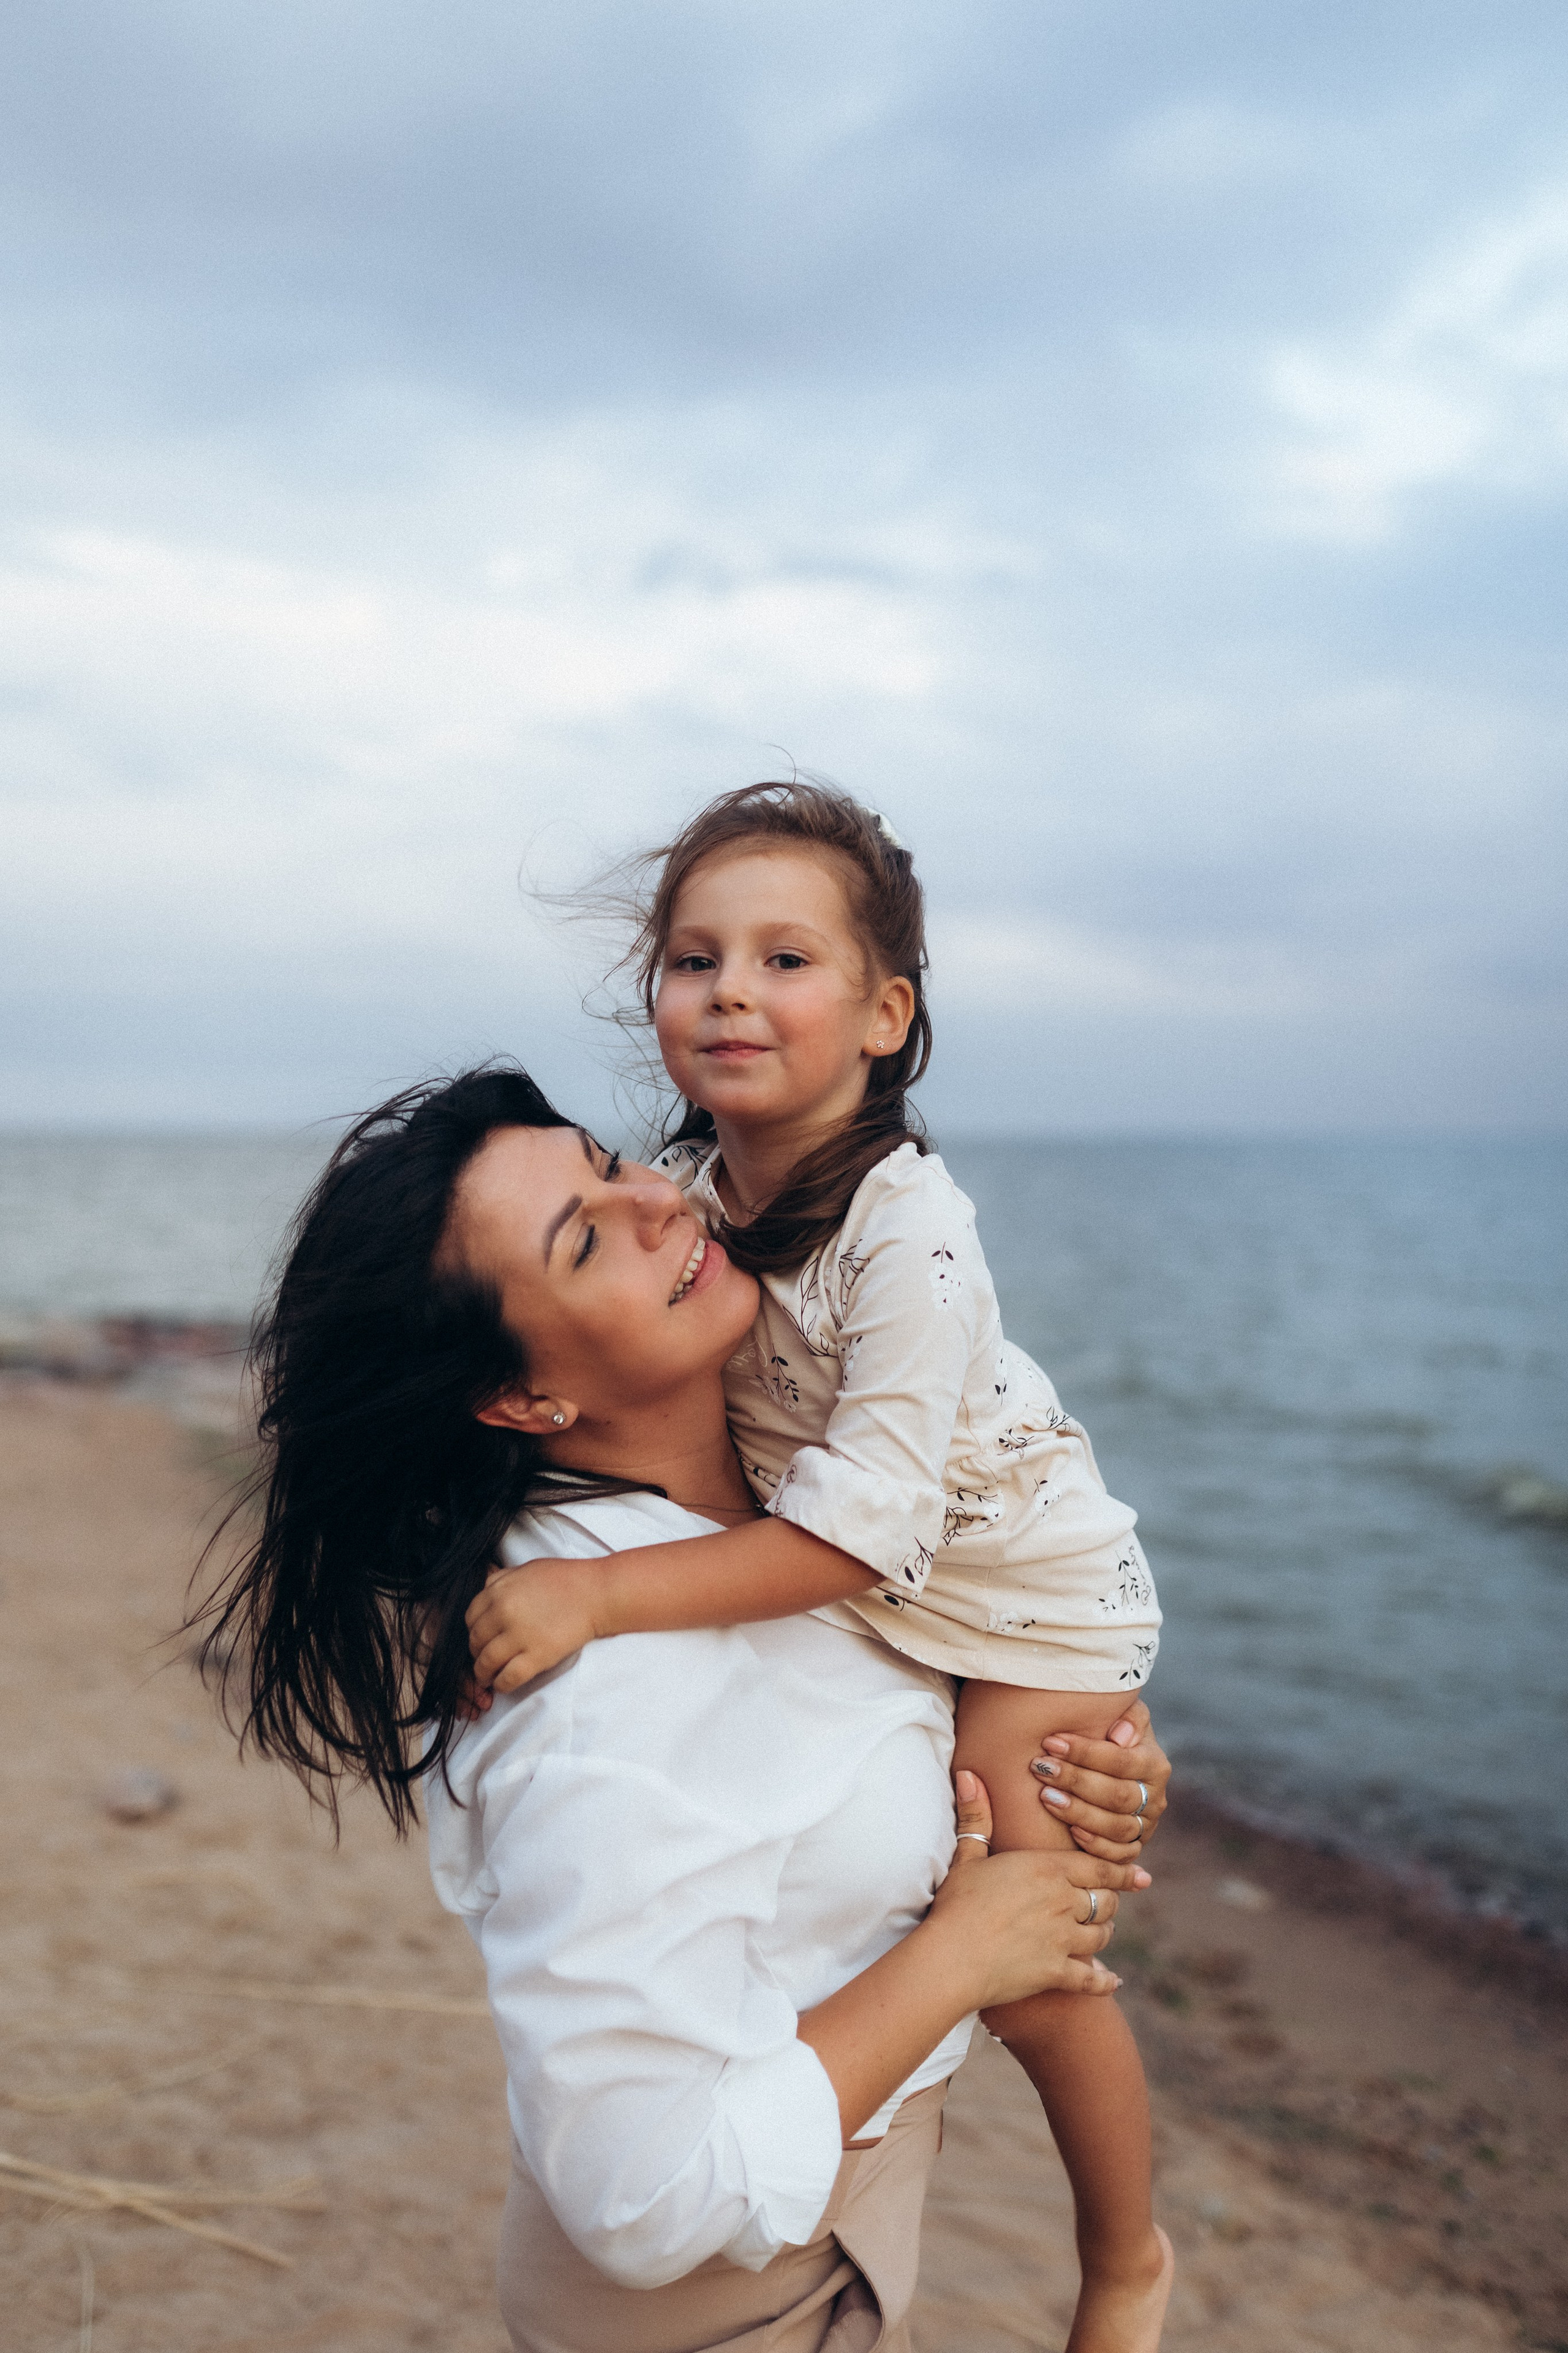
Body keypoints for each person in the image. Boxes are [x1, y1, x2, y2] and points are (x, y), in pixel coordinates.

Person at [194, 1066, 1166, 2353]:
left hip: (842, 2235)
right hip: (722, 2305)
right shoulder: (598, 1692)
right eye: (587, 1236)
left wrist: (1096, 1758)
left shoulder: (786, 1501)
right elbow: (633, 2193)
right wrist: (961, 1958)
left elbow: (885, 1709)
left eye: (608, 1162)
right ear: (520, 1400)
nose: (658, 1202)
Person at [466, 784, 1174, 2353]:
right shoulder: (704, 1207)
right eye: (692, 957)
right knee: (1006, 1886)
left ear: (883, 1014)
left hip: (1026, 1598)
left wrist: (597, 1594)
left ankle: (1124, 2257)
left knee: (1033, 1947)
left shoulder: (910, 1232)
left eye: (786, 958)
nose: (729, 988)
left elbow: (854, 1534)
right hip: (924, 1597)